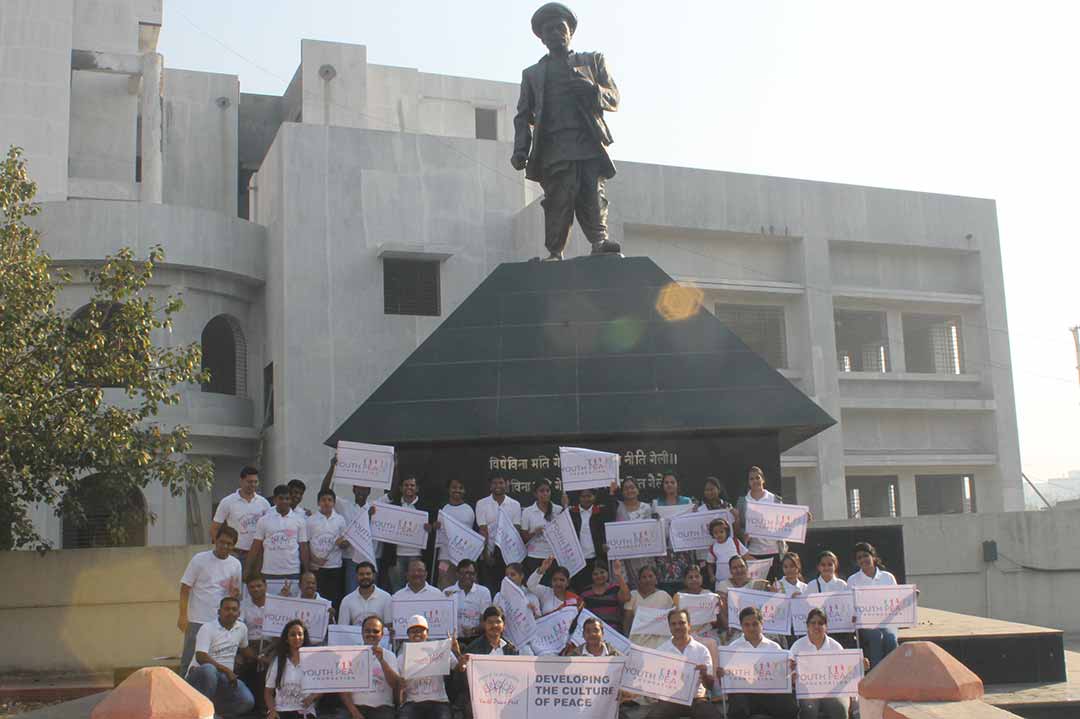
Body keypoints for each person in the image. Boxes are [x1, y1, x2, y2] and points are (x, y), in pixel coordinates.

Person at [511, 1, 621, 260]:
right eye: (547, 31)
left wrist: (593, 91)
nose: (554, 34)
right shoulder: (533, 74)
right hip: (553, 148)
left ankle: (599, 241)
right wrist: (520, 150)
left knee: (592, 194)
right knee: (557, 199)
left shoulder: (592, 61)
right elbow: (523, 116)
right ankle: (554, 251)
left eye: (559, 28)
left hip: (588, 143)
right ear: (541, 38)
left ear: (570, 31)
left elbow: (614, 98)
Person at [179, 526, 243, 672]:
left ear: (234, 545)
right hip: (198, 619)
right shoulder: (199, 559)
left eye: (229, 544)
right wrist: (183, 616)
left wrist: (235, 594)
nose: (225, 546)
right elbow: (184, 588)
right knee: (189, 660)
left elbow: (236, 596)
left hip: (221, 622)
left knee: (216, 661)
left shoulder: (236, 564)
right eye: (222, 542)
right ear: (215, 540)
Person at [789, 609, 868, 719]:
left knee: (840, 708)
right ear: (807, 626)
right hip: (808, 693)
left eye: (820, 623)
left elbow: (846, 673)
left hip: (833, 692)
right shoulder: (797, 646)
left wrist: (859, 667)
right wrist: (791, 676)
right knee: (808, 709)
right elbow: (790, 673)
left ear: (826, 627)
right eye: (813, 623)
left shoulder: (836, 647)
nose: (816, 626)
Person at [720, 607, 797, 719]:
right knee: (738, 706)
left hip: (769, 693)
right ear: (741, 626)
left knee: (789, 706)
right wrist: (722, 674)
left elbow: (782, 676)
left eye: (755, 624)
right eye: (747, 624)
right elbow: (728, 680)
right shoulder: (733, 648)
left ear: (762, 624)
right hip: (745, 695)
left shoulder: (774, 647)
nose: (751, 628)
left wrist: (790, 671)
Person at [185, 597, 255, 717]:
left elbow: (245, 649)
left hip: (225, 680)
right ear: (219, 611)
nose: (231, 612)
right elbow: (201, 657)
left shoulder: (241, 628)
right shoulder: (207, 628)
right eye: (227, 609)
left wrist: (262, 657)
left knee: (247, 701)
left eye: (234, 609)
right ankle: (202, 713)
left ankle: (216, 715)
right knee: (209, 669)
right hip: (201, 677)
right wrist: (227, 670)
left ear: (239, 613)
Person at [319, 453, 376, 596]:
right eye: (358, 488)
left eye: (365, 489)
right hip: (349, 559)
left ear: (369, 491)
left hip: (369, 558)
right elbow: (325, 490)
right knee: (351, 592)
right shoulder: (344, 506)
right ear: (353, 490)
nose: (361, 491)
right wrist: (332, 467)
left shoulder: (374, 508)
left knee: (372, 593)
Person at [645, 608, 717, 719]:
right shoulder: (661, 651)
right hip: (670, 701)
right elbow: (653, 684)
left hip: (696, 700)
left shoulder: (701, 650)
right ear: (669, 627)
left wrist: (705, 675)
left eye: (681, 623)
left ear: (689, 625)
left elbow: (710, 686)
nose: (677, 627)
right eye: (673, 624)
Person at [455, 606, 520, 718]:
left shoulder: (511, 649)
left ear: (503, 625)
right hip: (479, 698)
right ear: (484, 624)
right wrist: (462, 668)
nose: (494, 626)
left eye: (498, 622)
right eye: (490, 622)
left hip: (504, 697)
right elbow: (460, 684)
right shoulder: (473, 649)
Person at [246, 484, 310, 590]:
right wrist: (248, 569)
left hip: (292, 572)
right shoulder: (264, 520)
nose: (284, 501)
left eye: (287, 498)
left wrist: (306, 571)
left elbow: (303, 548)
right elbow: (256, 546)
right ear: (275, 499)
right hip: (269, 571)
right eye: (281, 498)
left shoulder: (300, 520)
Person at [397, 615, 462, 719]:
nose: (417, 634)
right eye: (413, 631)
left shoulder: (440, 650)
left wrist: (457, 652)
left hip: (439, 702)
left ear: (427, 633)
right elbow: (398, 684)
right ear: (408, 635)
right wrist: (401, 684)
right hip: (412, 703)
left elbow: (459, 668)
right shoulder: (401, 657)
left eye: (421, 631)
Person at [848, 541, 899, 668]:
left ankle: (894, 673)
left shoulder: (888, 577)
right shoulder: (852, 580)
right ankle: (876, 676)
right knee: (876, 636)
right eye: (859, 558)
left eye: (865, 555)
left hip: (886, 622)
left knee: (890, 637)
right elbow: (849, 605)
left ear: (873, 557)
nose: (863, 559)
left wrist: (910, 597)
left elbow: (896, 600)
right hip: (865, 625)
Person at [342, 616, 400, 719]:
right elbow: (344, 689)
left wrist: (382, 661)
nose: (371, 634)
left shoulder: (390, 656)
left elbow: (395, 684)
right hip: (357, 708)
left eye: (375, 631)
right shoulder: (350, 655)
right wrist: (354, 713)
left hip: (383, 709)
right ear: (362, 632)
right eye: (367, 631)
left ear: (382, 634)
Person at [735, 466, 787, 580]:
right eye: (751, 479)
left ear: (763, 479)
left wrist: (802, 518)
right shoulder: (743, 502)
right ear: (748, 482)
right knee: (757, 587)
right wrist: (744, 534)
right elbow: (739, 528)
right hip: (753, 553)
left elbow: (785, 522)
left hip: (774, 551)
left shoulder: (775, 499)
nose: (755, 481)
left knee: (775, 587)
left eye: (757, 478)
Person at [475, 475, 523, 594]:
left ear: (506, 484)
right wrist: (486, 555)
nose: (498, 486)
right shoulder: (481, 503)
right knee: (490, 589)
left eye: (501, 483)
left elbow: (516, 531)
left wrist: (513, 558)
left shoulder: (515, 504)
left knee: (509, 589)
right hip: (490, 552)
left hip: (508, 555)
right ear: (490, 486)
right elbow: (483, 530)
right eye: (495, 483)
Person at [211, 466, 269, 561]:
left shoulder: (264, 503)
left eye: (255, 482)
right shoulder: (228, 502)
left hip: (258, 554)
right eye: (249, 482)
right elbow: (214, 528)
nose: (253, 485)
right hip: (235, 553)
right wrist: (222, 549)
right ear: (241, 481)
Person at [384, 476, 431, 593]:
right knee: (397, 589)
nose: (409, 487)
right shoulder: (393, 506)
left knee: (417, 589)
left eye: (412, 485)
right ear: (400, 488)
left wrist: (430, 528)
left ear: (417, 488)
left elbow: (433, 529)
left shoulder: (426, 507)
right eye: (406, 485)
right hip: (396, 556)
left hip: (417, 555)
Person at [566, 483, 615, 592]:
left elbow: (613, 513)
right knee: (580, 589)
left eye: (589, 496)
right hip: (578, 560)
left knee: (597, 588)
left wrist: (611, 493)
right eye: (583, 496)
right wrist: (564, 505)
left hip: (596, 559)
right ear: (579, 498)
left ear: (594, 497)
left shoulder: (601, 512)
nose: (586, 499)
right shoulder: (571, 513)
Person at [653, 473, 696, 594]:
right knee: (666, 586)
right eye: (666, 482)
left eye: (672, 482)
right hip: (664, 550)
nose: (669, 485)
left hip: (683, 550)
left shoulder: (686, 501)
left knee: (684, 584)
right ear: (662, 485)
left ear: (677, 485)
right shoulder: (656, 503)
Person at [264, 619, 315, 719]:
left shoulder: (312, 660)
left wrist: (312, 698)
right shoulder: (278, 661)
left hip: (305, 712)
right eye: (292, 634)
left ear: (304, 637)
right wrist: (272, 711)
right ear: (286, 639)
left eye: (300, 634)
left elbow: (323, 685)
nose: (297, 637)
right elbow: (268, 692)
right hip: (280, 711)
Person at [306, 488, 347, 609]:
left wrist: (342, 543)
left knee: (334, 598)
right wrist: (314, 559)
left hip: (335, 566)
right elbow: (306, 543)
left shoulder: (340, 520)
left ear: (334, 503)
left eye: (330, 500)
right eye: (323, 500)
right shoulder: (311, 520)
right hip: (318, 567)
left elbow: (345, 544)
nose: (326, 503)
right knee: (319, 597)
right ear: (318, 503)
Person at [716, 556, 772, 644]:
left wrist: (773, 592)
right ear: (730, 571)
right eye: (735, 568)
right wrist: (729, 627)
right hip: (733, 628)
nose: (739, 570)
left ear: (746, 568)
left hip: (755, 625)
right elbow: (721, 611)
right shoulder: (723, 586)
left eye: (741, 566)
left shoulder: (757, 585)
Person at [238, 575, 272, 715]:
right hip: (249, 644)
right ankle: (247, 706)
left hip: (271, 644)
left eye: (259, 586)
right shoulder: (243, 605)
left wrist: (266, 652)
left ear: (265, 586)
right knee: (243, 664)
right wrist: (258, 656)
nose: (256, 589)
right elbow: (239, 629)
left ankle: (266, 707)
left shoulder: (276, 602)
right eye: (252, 587)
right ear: (248, 589)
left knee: (270, 666)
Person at [432, 478, 475, 589]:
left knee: (465, 585)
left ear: (464, 491)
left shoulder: (469, 509)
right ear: (449, 490)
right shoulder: (442, 508)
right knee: (443, 583)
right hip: (444, 557)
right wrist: (434, 526)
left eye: (460, 488)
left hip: (463, 557)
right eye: (454, 487)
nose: (457, 490)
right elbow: (436, 528)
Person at [614, 477, 654, 589]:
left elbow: (651, 530)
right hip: (624, 554)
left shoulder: (646, 508)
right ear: (622, 492)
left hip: (643, 553)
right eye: (626, 488)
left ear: (638, 490)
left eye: (632, 487)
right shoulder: (617, 508)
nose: (629, 491)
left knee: (645, 583)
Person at [520, 479, 563, 577]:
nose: (545, 493)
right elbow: (524, 537)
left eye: (548, 491)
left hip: (553, 557)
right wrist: (535, 532)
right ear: (535, 494)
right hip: (534, 556)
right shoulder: (527, 511)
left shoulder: (558, 509)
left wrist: (565, 505)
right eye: (542, 491)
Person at [624, 565, 673, 649]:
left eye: (650, 576)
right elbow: (627, 621)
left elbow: (672, 618)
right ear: (639, 580)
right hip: (638, 642)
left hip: (661, 642)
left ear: (656, 579)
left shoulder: (664, 596)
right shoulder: (633, 595)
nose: (647, 580)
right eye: (644, 577)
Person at [443, 559, 492, 643]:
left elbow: (486, 620)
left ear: (476, 575)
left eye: (471, 573)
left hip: (476, 640)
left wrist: (473, 631)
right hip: (451, 640)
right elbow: (442, 619)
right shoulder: (447, 592)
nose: (467, 576)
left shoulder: (483, 592)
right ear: (457, 574)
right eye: (463, 573)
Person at [337, 561, 393, 631]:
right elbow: (342, 628)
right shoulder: (347, 600)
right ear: (356, 576)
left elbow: (388, 626)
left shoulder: (386, 597)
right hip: (354, 640)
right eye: (361, 574)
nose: (365, 577)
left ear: (374, 575)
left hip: (379, 639)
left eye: (368, 574)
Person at [580, 560, 627, 632]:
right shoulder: (585, 593)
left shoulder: (615, 588)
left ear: (607, 573)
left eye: (602, 572)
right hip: (594, 632)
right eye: (595, 574)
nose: (599, 576)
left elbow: (626, 598)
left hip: (615, 631)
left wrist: (619, 575)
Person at [705, 517, 748, 589]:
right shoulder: (713, 547)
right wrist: (711, 576)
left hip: (737, 581)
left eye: (721, 532)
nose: (719, 535)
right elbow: (709, 564)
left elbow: (746, 556)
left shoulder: (734, 542)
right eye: (716, 533)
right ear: (712, 534)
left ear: (726, 531)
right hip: (721, 580)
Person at [294, 571, 334, 644]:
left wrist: (330, 618)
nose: (310, 585)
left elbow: (331, 629)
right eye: (307, 583)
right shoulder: (292, 603)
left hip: (319, 645)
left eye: (313, 583)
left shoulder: (326, 604)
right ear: (299, 585)